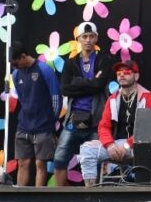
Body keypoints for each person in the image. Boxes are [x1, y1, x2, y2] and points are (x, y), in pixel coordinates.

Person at [80, 60, 151, 186]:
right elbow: (103, 126)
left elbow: (149, 129)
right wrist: (110, 145)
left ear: (136, 76)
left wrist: (127, 146)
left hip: (140, 145)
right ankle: (90, 191)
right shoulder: (113, 99)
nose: (122, 75)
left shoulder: (147, 98)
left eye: (127, 72)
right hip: (117, 145)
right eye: (119, 73)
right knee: (87, 150)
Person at [53, 22, 114, 186]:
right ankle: (60, 197)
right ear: (78, 39)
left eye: (91, 36)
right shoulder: (70, 63)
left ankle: (95, 197)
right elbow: (65, 89)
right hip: (73, 119)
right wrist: (91, 82)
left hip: (96, 120)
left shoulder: (104, 60)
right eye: (84, 37)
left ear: (96, 38)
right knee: (59, 159)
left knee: (98, 160)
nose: (88, 40)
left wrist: (78, 83)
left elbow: (99, 85)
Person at [10, 41, 61, 187]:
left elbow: (56, 97)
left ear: (23, 56)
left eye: (15, 63)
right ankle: (19, 199)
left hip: (43, 127)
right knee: (23, 163)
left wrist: (50, 122)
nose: (14, 67)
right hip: (23, 126)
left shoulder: (44, 69)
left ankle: (38, 199)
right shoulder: (15, 74)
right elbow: (22, 99)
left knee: (40, 164)